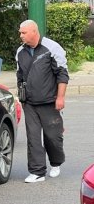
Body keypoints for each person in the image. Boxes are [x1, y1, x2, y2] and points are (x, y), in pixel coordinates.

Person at [16, 19, 68, 183]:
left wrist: (60, 97)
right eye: (20, 32)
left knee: (53, 137)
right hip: (29, 103)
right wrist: (21, 97)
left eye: (23, 32)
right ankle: (37, 172)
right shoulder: (20, 52)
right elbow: (19, 76)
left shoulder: (52, 47)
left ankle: (56, 163)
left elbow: (62, 74)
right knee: (33, 138)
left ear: (34, 31)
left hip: (49, 102)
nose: (21, 35)